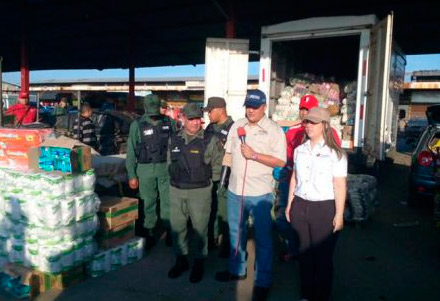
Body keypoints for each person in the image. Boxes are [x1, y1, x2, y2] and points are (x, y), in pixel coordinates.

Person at [215, 90, 286, 301]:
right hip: (236, 191)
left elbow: (280, 161)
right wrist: (223, 180)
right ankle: (237, 270)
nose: (250, 110)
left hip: (260, 193)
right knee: (236, 234)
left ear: (264, 107)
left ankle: (263, 281)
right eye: (248, 106)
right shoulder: (237, 126)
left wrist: (254, 155)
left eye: (254, 106)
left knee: (263, 239)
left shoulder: (274, 131)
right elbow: (228, 154)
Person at [286, 107, 347, 301]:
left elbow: (339, 185)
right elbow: (294, 178)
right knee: (304, 254)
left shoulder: (335, 153)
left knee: (322, 257)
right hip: (301, 206)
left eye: (313, 123)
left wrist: (339, 214)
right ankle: (306, 293)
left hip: (324, 208)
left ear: (325, 125)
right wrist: (289, 205)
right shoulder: (299, 150)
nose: (308, 126)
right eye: (307, 122)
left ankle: (321, 296)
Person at [275, 94, 341, 262]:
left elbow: (336, 169)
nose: (304, 113)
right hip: (293, 182)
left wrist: (339, 212)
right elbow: (288, 157)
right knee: (284, 219)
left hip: (319, 193)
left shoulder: (330, 133)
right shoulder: (292, 132)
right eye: (302, 110)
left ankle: (310, 251)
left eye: (308, 110)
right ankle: (294, 248)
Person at [167, 102, 223, 283]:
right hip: (176, 190)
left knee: (200, 229)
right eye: (190, 119)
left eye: (198, 119)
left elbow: (217, 166)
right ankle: (181, 259)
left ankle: (199, 261)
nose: (194, 123)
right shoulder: (174, 139)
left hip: (200, 192)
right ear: (183, 119)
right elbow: (169, 163)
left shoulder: (210, 139)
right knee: (178, 227)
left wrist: (208, 187)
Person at [126, 94, 174, 248]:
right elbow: (131, 151)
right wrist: (131, 175)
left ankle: (169, 230)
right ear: (145, 108)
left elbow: (176, 146)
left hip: (166, 169)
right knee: (148, 203)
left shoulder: (169, 122)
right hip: (145, 170)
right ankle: (150, 231)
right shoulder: (137, 125)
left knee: (168, 202)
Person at [203, 96, 234, 257]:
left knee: (224, 213)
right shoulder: (209, 128)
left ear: (221, 109)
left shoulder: (233, 128)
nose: (208, 114)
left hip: (226, 177)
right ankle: (212, 239)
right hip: (209, 177)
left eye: (211, 111)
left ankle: (227, 244)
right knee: (210, 210)